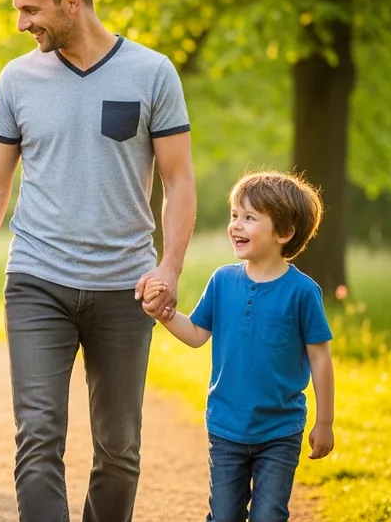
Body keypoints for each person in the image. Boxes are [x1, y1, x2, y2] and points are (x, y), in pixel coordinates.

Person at [0, 0, 197, 522]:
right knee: (37, 437)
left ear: (71, 1)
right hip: (38, 280)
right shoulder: (17, 81)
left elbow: (178, 179)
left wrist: (171, 267)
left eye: (30, 10)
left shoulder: (152, 72)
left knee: (119, 447)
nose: (20, 23)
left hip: (125, 286)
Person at [140, 171, 335, 522]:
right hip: (226, 426)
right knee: (224, 515)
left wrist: (325, 422)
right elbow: (198, 333)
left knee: (269, 515)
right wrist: (166, 316)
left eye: (249, 218)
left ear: (285, 233)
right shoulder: (222, 281)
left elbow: (320, 357)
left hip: (280, 429)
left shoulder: (302, 292)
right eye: (234, 216)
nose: (236, 226)